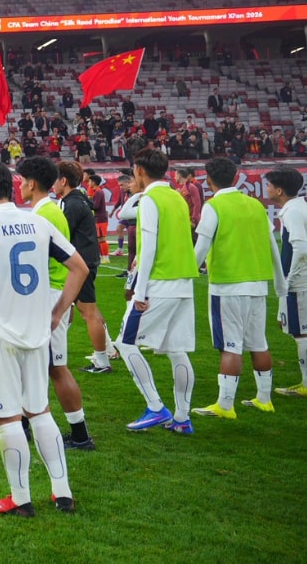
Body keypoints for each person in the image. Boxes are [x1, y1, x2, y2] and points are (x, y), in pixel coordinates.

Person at [0, 160, 88, 517]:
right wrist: (57, 311)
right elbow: (80, 268)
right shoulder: (38, 221)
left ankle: (21, 499)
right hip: (37, 329)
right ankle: (63, 494)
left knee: (9, 417)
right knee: (40, 410)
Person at [190, 157, 284, 418]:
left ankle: (225, 404)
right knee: (258, 342)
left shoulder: (214, 206)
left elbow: (202, 246)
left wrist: (187, 273)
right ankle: (264, 398)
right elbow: (272, 243)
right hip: (258, 284)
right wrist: (280, 283)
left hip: (228, 285)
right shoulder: (255, 205)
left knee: (230, 345)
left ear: (208, 179)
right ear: (235, 177)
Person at [114, 148, 199, 435]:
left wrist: (140, 291)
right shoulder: (176, 195)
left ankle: (155, 406)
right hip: (183, 282)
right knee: (177, 350)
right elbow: (124, 213)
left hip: (159, 282)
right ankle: (182, 417)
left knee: (125, 343)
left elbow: (147, 247)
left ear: (139, 170)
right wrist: (139, 193)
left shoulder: (151, 200)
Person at [15, 158, 95, 451]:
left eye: (22, 181)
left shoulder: (44, 215)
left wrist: (59, 307)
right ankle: (21, 426)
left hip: (49, 294)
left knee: (56, 367)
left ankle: (81, 434)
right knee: (37, 365)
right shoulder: (50, 210)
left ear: (32, 183)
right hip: (54, 292)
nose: (19, 186)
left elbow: (70, 265)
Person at [56, 162, 115, 374]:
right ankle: (106, 350)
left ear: (63, 181)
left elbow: (62, 236)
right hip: (86, 260)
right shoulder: (78, 200)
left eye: (56, 179)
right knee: (79, 309)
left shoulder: (71, 204)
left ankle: (102, 360)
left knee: (88, 311)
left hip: (81, 263)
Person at [264, 168, 307, 396]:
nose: (267, 188)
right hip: (301, 280)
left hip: (300, 283)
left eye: (269, 184)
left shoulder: (293, 212)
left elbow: (300, 247)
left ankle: (306, 385)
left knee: (301, 333)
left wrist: (288, 279)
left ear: (279, 190)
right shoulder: (297, 207)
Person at [175, 166, 204, 241]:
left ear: (179, 176)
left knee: (195, 242)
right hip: (187, 220)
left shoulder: (191, 187)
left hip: (193, 222)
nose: (175, 177)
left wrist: (193, 220)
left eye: (176, 175)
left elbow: (197, 204)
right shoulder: (184, 187)